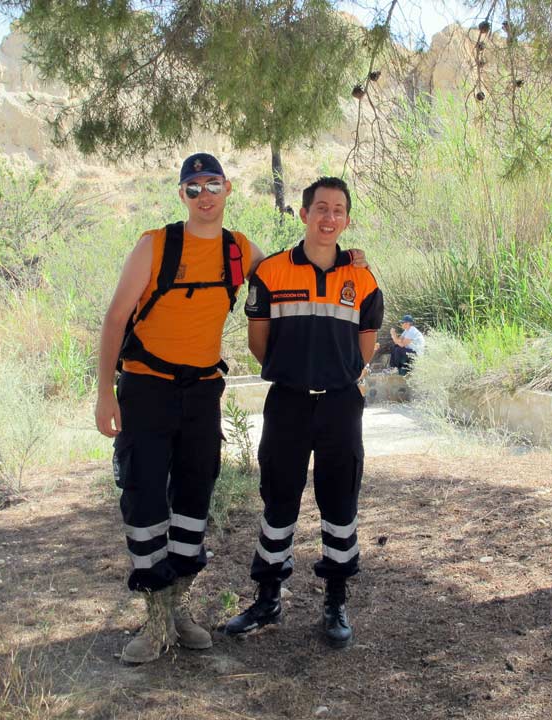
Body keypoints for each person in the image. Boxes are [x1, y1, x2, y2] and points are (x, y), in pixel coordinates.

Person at [94, 155, 366, 664]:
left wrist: (347, 257)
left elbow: (292, 267)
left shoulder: (240, 250)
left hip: (202, 394)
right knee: (145, 499)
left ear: (227, 189)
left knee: (195, 499)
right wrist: (104, 392)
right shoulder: (154, 245)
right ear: (182, 195)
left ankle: (181, 610)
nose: (204, 195)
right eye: (193, 187)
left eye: (212, 185)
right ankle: (154, 622)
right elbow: (114, 320)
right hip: (145, 389)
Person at [224, 176, 384, 649]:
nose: (329, 217)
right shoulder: (271, 272)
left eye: (338, 210)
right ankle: (267, 597)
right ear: (304, 214)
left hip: (340, 405)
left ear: (347, 220)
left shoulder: (362, 277)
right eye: (320, 208)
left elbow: (366, 348)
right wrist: (294, 370)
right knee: (278, 502)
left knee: (340, 504)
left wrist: (337, 376)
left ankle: (335, 600)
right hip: (288, 403)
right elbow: (258, 343)